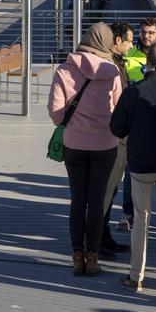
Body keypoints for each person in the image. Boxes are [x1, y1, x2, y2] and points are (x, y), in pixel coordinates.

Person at [47, 22, 125, 277]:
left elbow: (56, 111)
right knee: (97, 201)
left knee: (77, 200)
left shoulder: (64, 70)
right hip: (105, 145)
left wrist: (71, 125)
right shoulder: (111, 71)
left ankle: (77, 256)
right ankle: (93, 258)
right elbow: (119, 109)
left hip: (74, 144)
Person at [110, 42, 156, 293]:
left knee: (141, 219)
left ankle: (135, 275)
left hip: (139, 165)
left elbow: (116, 127)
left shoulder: (133, 92)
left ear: (146, 62)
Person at [99, 21, 135, 259]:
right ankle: (98, 241)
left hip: (117, 135)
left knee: (110, 190)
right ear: (118, 40)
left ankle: (103, 237)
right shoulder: (109, 65)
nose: (132, 46)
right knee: (106, 190)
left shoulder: (117, 64)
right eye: (130, 40)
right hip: (112, 136)